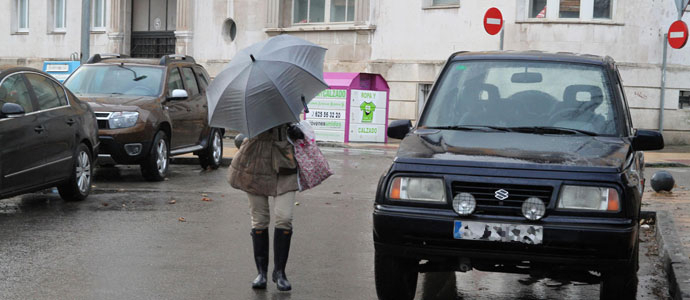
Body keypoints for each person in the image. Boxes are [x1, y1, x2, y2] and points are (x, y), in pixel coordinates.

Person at [228, 123, 304, 291]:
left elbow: (299, 128)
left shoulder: (285, 103)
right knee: (259, 220)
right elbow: (241, 134)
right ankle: (261, 273)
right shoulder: (252, 106)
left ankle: (280, 272)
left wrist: (296, 131)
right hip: (255, 164)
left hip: (285, 163)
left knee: (284, 217)